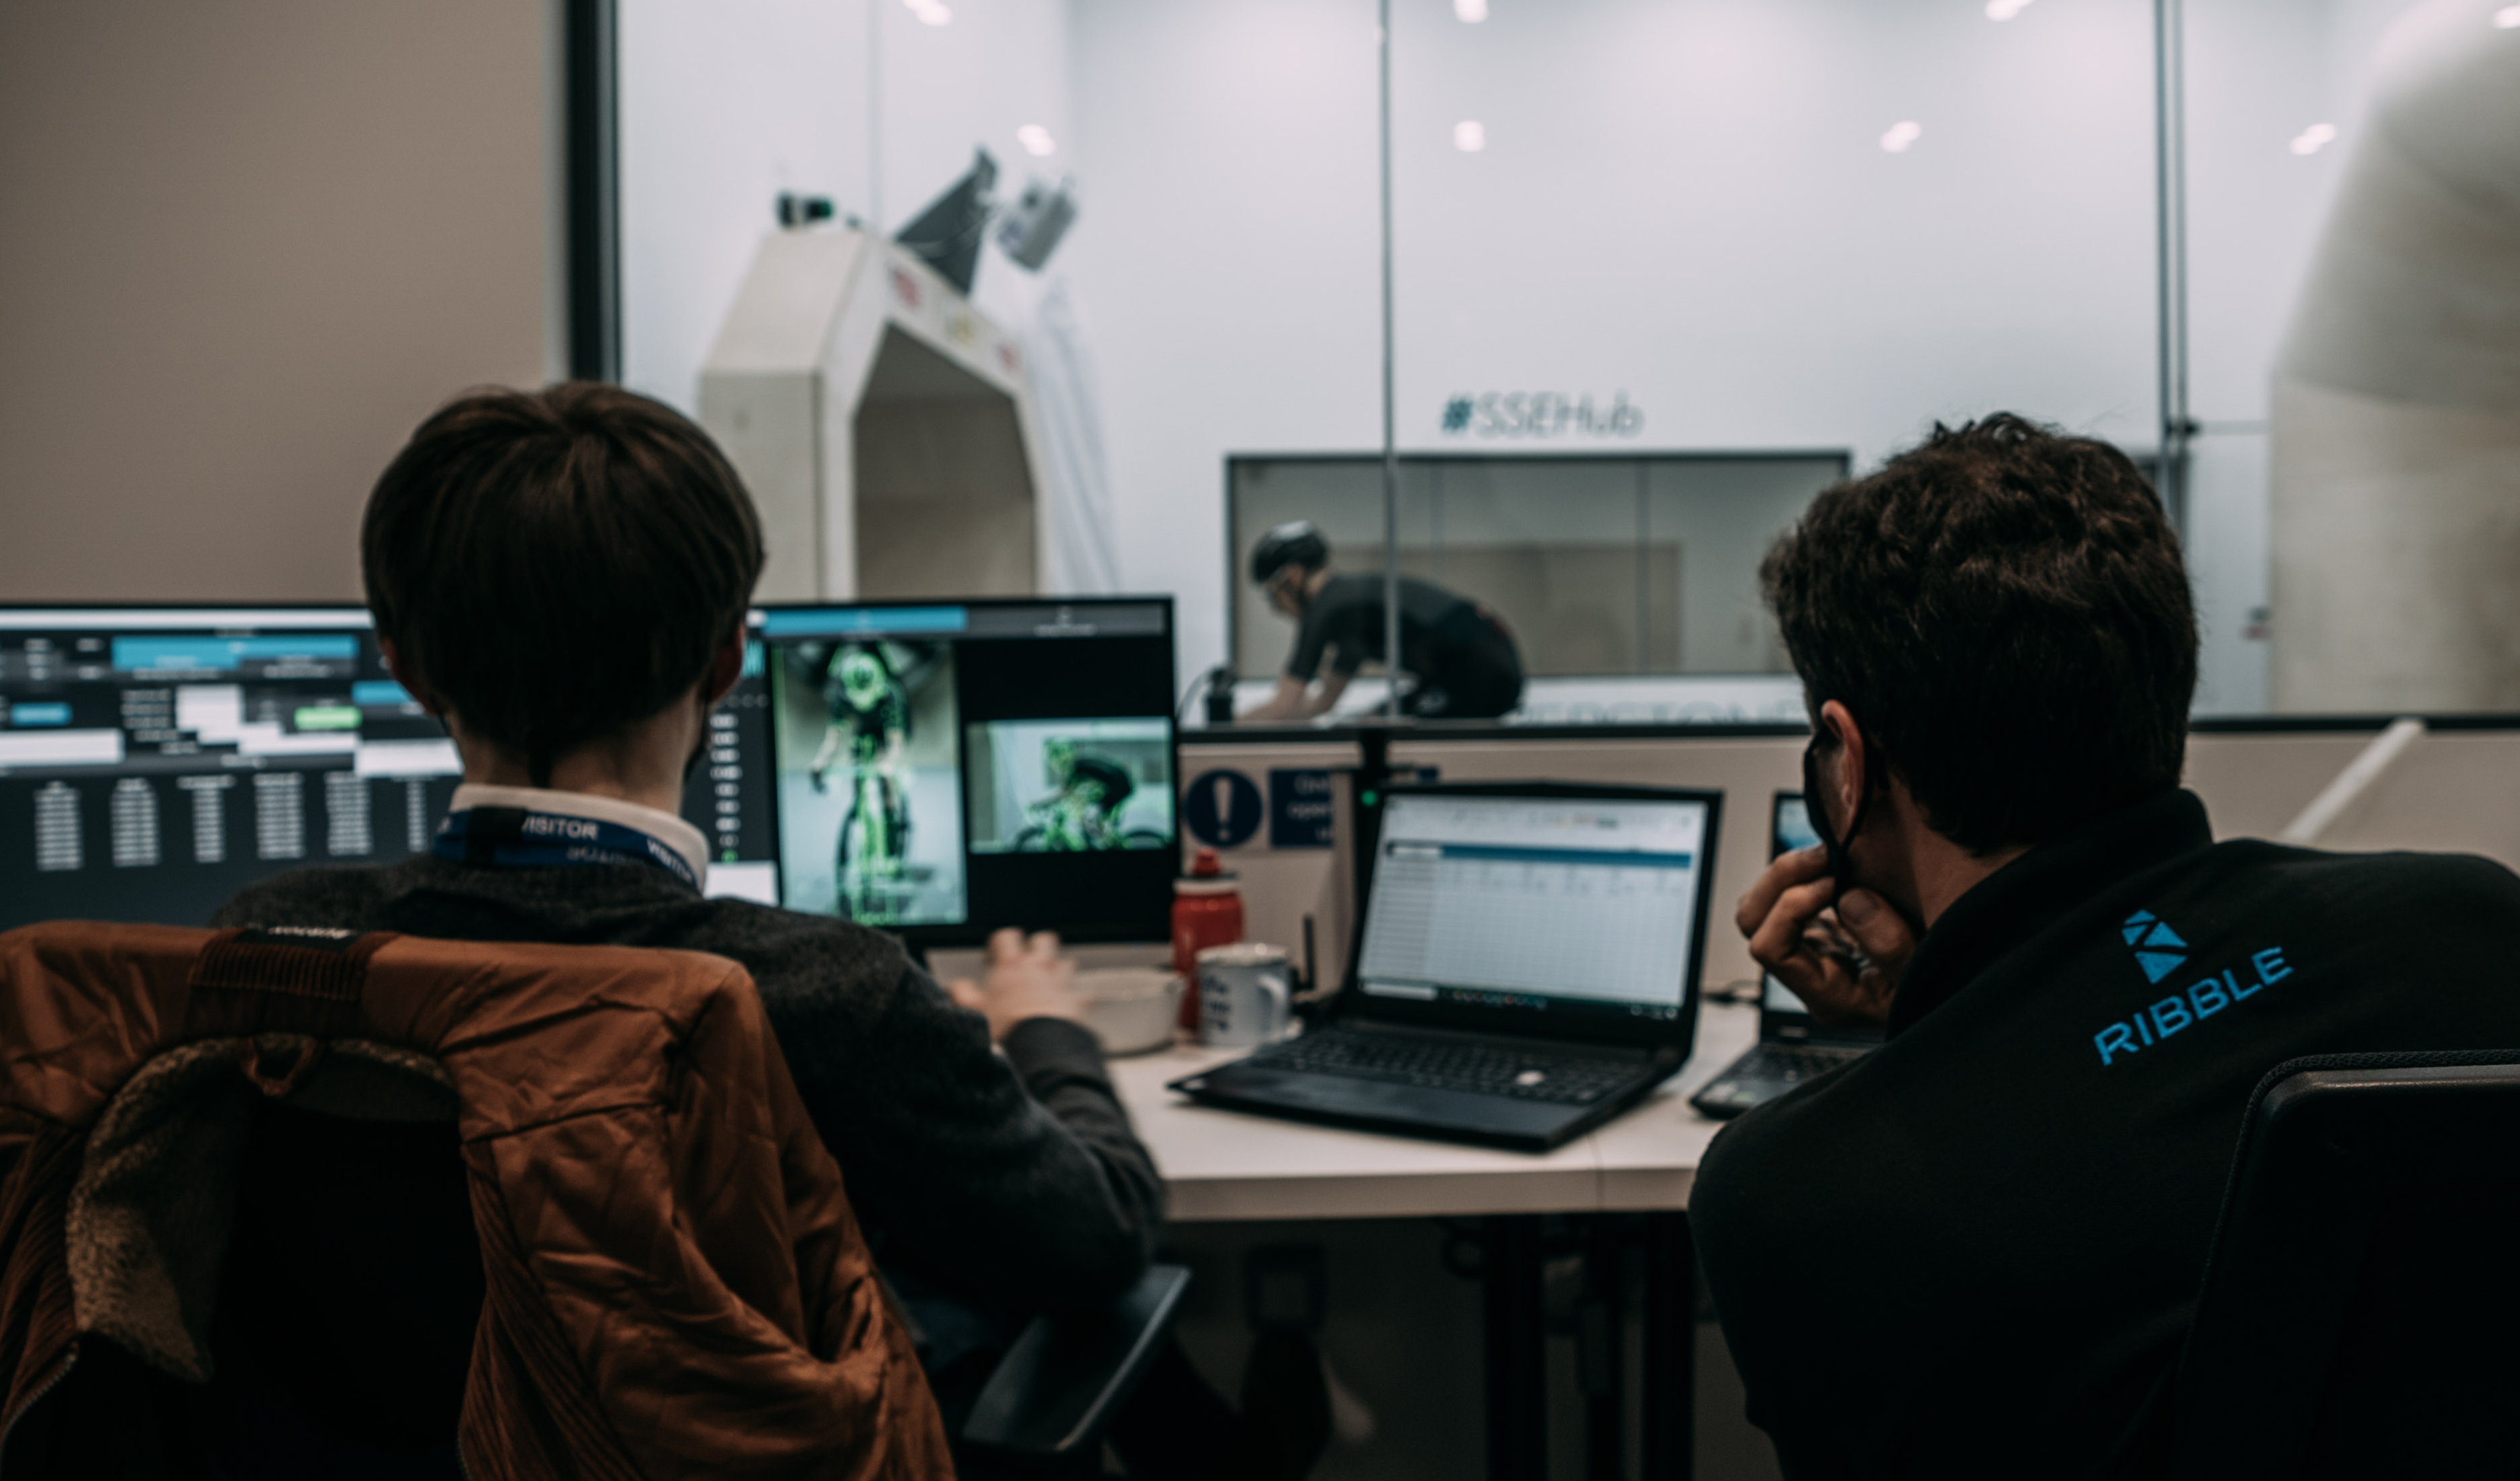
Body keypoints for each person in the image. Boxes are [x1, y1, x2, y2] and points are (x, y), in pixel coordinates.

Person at [212, 384, 1250, 1476]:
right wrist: (1049, 1033)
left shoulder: (275, 952)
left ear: (408, 668)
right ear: (726, 664)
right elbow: (1094, 1241)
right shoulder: (825, 989)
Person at [1693, 414, 2520, 1478]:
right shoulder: (2466, 922)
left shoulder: (1787, 1193)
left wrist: (1935, 1031)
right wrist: (1946, 999)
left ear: (1845, 764)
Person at [1237, 520, 1523, 721]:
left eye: (1271, 593)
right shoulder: (1349, 612)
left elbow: (1286, 704)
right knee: (1371, 723)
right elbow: (1322, 705)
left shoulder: (1328, 607)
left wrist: (1225, 727)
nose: (1274, 607)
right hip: (1479, 666)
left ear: (1293, 575)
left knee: (1380, 732)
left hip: (1479, 673)